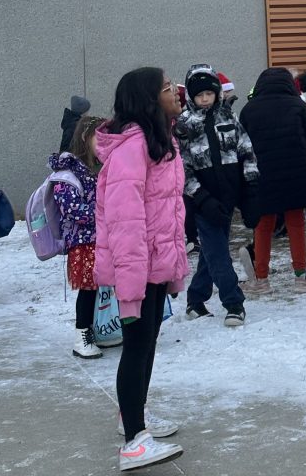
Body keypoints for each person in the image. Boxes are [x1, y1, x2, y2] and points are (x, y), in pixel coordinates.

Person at [94, 68, 188, 472]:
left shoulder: (160, 141)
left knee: (147, 343)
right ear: (150, 100)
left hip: (155, 264)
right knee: (136, 347)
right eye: (168, 89)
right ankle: (134, 441)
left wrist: (172, 265)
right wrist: (131, 285)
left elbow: (169, 210)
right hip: (138, 267)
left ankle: (133, 417)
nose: (177, 93)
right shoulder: (132, 148)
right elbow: (125, 222)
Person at [177, 65, 259, 326]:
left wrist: (251, 189)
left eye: (209, 94)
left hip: (229, 194)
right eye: (199, 95)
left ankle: (195, 299)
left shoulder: (229, 118)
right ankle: (234, 302)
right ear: (191, 96)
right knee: (219, 253)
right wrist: (200, 197)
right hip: (203, 199)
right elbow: (181, 168)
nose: (204, 99)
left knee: (212, 251)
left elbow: (246, 150)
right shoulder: (184, 125)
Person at [239, 68, 306, 293]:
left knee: (263, 226)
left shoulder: (249, 109)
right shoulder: (297, 106)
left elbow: (241, 143)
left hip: (263, 175)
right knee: (296, 224)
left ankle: (261, 280)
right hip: (295, 173)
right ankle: (301, 278)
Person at [52, 115, 106, 359]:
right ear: (86, 138)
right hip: (83, 242)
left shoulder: (97, 167)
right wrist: (105, 214)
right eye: (100, 137)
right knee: (88, 288)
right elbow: (72, 209)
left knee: (98, 288)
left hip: (102, 238)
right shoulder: (68, 171)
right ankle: (81, 335)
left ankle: (97, 330)